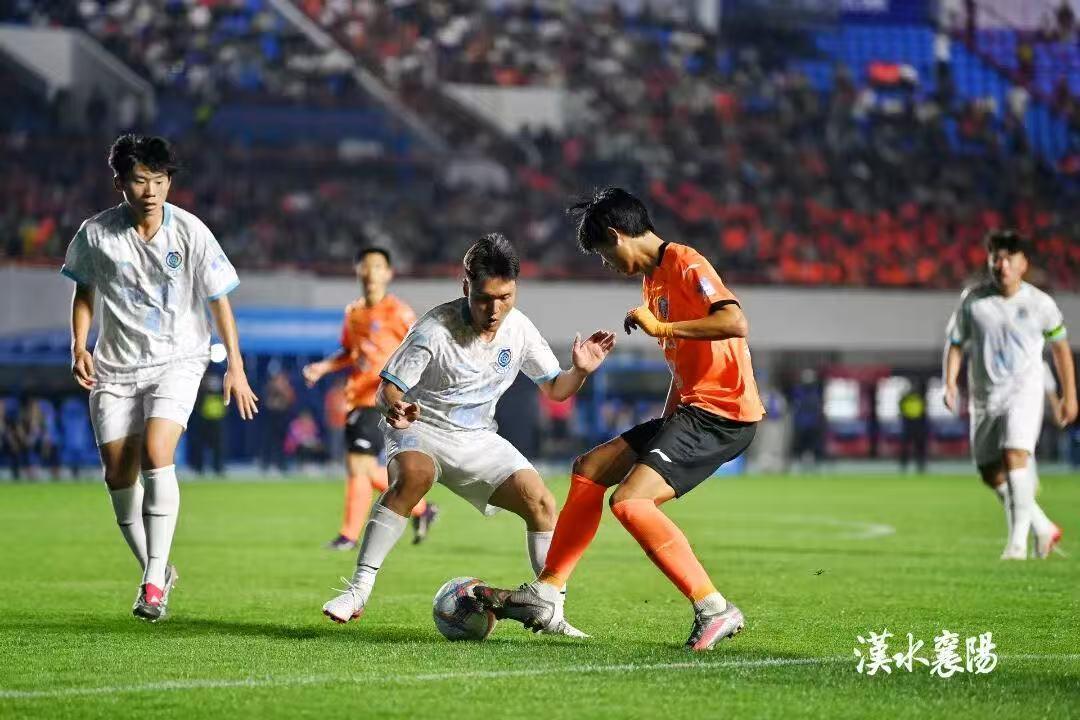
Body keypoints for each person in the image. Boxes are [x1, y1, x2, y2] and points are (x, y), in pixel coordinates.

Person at [473, 188, 764, 651]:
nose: (607, 265)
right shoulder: (652, 284)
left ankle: (714, 607)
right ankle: (548, 592)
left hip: (723, 413)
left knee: (630, 503)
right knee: (589, 469)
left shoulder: (686, 262)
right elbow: (683, 367)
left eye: (605, 255)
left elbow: (734, 323)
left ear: (617, 235)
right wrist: (667, 424)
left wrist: (662, 327)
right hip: (693, 410)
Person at [320, 233, 615, 636]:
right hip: (421, 427)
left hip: (477, 438)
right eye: (484, 298)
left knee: (542, 502)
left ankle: (552, 613)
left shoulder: (519, 329)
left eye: (505, 297)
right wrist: (396, 408)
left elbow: (556, 389)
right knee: (414, 477)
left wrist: (579, 371)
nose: (495, 310)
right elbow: (386, 390)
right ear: (466, 287)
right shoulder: (433, 329)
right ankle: (357, 591)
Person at [62, 134, 258, 622]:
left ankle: (151, 584)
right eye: (139, 180)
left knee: (156, 451)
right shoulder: (96, 234)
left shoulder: (191, 232)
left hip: (179, 358)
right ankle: (159, 568)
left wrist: (235, 365)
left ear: (169, 181)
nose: (150, 190)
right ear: (120, 183)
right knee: (117, 475)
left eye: (159, 179)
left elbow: (219, 302)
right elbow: (84, 291)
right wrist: (79, 345)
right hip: (115, 365)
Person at [943, 230, 1076, 560]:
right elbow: (955, 343)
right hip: (985, 396)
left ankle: (1017, 546)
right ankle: (1043, 528)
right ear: (990, 262)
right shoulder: (974, 301)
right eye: (996, 258)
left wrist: (1069, 395)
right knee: (990, 471)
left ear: (1023, 264)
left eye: (1009, 259)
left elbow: (1060, 349)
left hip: (1024, 391)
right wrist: (949, 383)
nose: (1002, 265)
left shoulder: (1040, 304)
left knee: (1015, 454)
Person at [303, 247, 436, 550]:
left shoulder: (399, 312)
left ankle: (349, 536)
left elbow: (422, 349)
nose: (370, 272)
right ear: (358, 271)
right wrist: (323, 367)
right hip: (355, 397)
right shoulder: (354, 313)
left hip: (381, 399)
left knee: (358, 464)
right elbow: (349, 352)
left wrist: (412, 388)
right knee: (359, 468)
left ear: (388, 273)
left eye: (377, 266)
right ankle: (421, 507)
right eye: (365, 266)